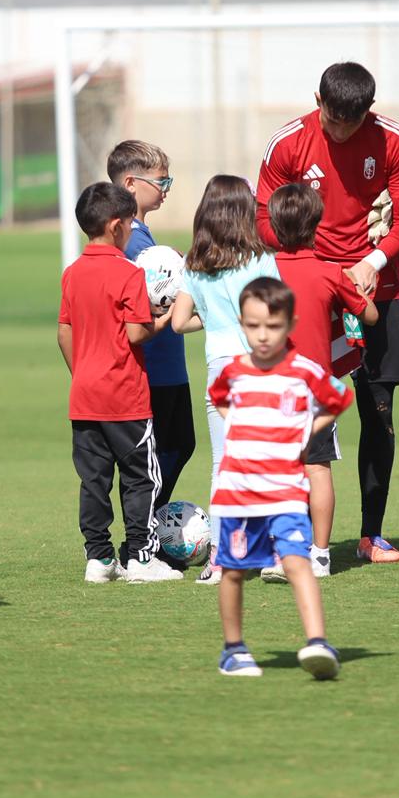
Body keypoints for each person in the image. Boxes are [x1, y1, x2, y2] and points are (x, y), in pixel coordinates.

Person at [255, 61, 399, 565]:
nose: (341, 130)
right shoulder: (287, 143)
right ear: (317, 101)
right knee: (298, 418)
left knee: (378, 412)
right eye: (332, 119)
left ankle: (371, 534)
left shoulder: (396, 143)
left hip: (377, 292)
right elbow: (263, 220)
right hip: (310, 295)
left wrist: (372, 260)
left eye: (352, 122)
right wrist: (313, 267)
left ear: (368, 111)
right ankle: (300, 538)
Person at [207, 278, 353, 680]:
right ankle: (233, 649)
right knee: (233, 571)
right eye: (253, 326)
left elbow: (340, 397)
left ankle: (318, 642)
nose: (262, 335)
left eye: (272, 326)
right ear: (242, 323)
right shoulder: (234, 371)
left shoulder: (304, 371)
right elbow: (220, 399)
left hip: (287, 493)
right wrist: (239, 429)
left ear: (290, 325)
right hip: (238, 493)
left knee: (296, 563)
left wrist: (306, 431)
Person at [58, 182, 181, 584]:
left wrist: (83, 372)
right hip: (125, 396)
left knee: (93, 479)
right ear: (115, 227)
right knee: (141, 477)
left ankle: (98, 558)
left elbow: (64, 332)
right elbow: (136, 334)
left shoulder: (72, 273)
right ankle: (142, 558)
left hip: (84, 395)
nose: (132, 229)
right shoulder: (129, 273)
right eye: (129, 223)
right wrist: (162, 320)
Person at [169, 175, 280, 585]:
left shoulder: (194, 265)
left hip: (218, 369)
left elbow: (179, 322)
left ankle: (220, 557)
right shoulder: (260, 259)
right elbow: (275, 315)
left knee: (223, 466)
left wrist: (213, 320)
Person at [266, 181, 379, 578]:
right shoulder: (331, 273)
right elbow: (369, 316)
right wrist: (364, 289)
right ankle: (320, 554)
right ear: (317, 225)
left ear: (274, 227)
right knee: (318, 469)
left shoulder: (264, 271)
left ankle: (285, 551)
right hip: (316, 389)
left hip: (271, 387)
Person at [109, 140, 195, 509]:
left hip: (168, 364)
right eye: (161, 181)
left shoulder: (142, 235)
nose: (166, 189)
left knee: (179, 444)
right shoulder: (129, 238)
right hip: (153, 368)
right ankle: (141, 538)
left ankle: (149, 532)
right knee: (162, 452)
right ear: (130, 183)